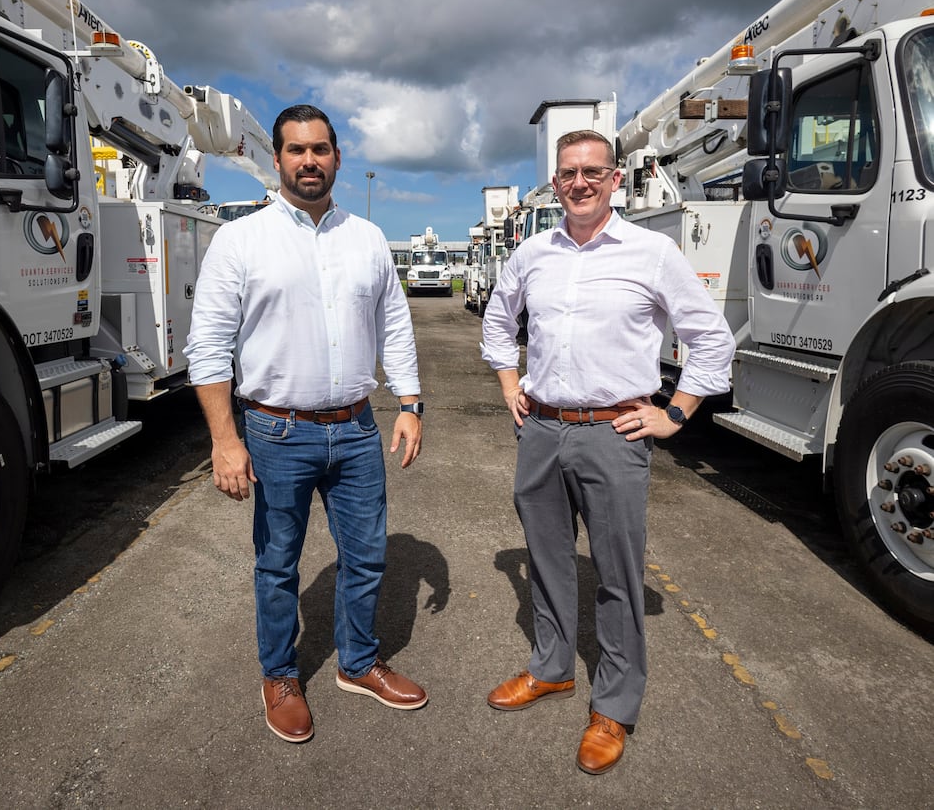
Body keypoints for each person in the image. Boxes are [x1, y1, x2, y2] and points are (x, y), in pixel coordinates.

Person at [480, 129, 734, 775]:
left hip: (615, 433)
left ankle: (614, 707)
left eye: (594, 171)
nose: (581, 182)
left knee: (618, 577)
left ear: (616, 179)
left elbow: (711, 340)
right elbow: (497, 318)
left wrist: (676, 413)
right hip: (540, 429)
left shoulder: (652, 252)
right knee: (548, 562)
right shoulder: (534, 252)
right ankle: (552, 669)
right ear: (556, 181)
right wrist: (510, 383)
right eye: (569, 173)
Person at [184, 104, 428, 744]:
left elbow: (393, 325)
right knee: (278, 564)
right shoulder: (241, 241)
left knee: (367, 556)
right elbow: (207, 349)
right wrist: (224, 440)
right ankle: (281, 675)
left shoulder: (367, 240)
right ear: (277, 158)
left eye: (321, 149)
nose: (309, 161)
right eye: (296, 150)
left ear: (338, 157)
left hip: (355, 430)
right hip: (276, 433)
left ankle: (357, 662)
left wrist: (410, 403)